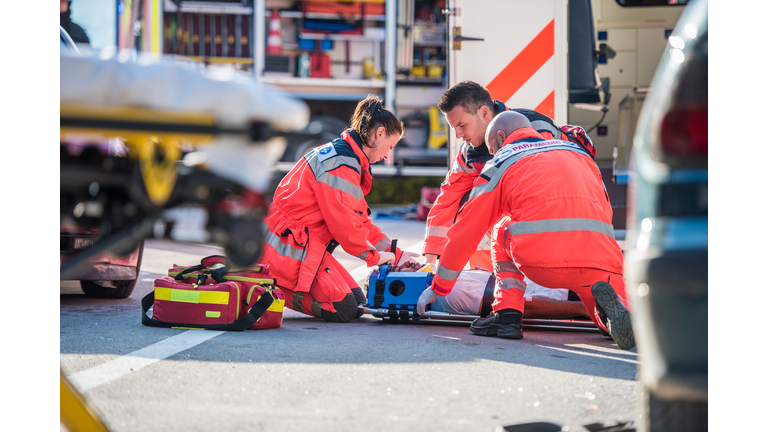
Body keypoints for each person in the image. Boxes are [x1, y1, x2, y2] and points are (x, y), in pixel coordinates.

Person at [416, 111, 635, 350]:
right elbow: (605, 212)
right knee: (602, 310)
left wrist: (440, 286)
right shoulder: (578, 153)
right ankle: (611, 321)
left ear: (501, 137)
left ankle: (506, 316)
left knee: (500, 229)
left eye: (492, 148)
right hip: (602, 262)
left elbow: (467, 229)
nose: (493, 153)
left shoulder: (502, 160)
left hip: (542, 263)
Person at [261, 96, 420, 323]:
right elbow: (346, 229)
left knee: (358, 303)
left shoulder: (346, 158)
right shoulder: (341, 165)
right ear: (379, 134)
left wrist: (397, 254)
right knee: (344, 309)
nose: (387, 155)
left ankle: (281, 281)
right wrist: (375, 257)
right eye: (391, 147)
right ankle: (274, 284)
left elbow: (359, 221)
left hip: (300, 245)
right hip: (287, 248)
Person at [422, 81, 595, 271]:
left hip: (561, 220)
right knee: (469, 210)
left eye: (462, 125)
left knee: (486, 216)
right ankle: (487, 281)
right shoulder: (468, 152)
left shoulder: (536, 131)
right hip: (533, 220)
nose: (457, 135)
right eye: (454, 127)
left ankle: (545, 281)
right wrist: (429, 262)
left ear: (484, 113)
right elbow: (448, 200)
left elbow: (547, 195)